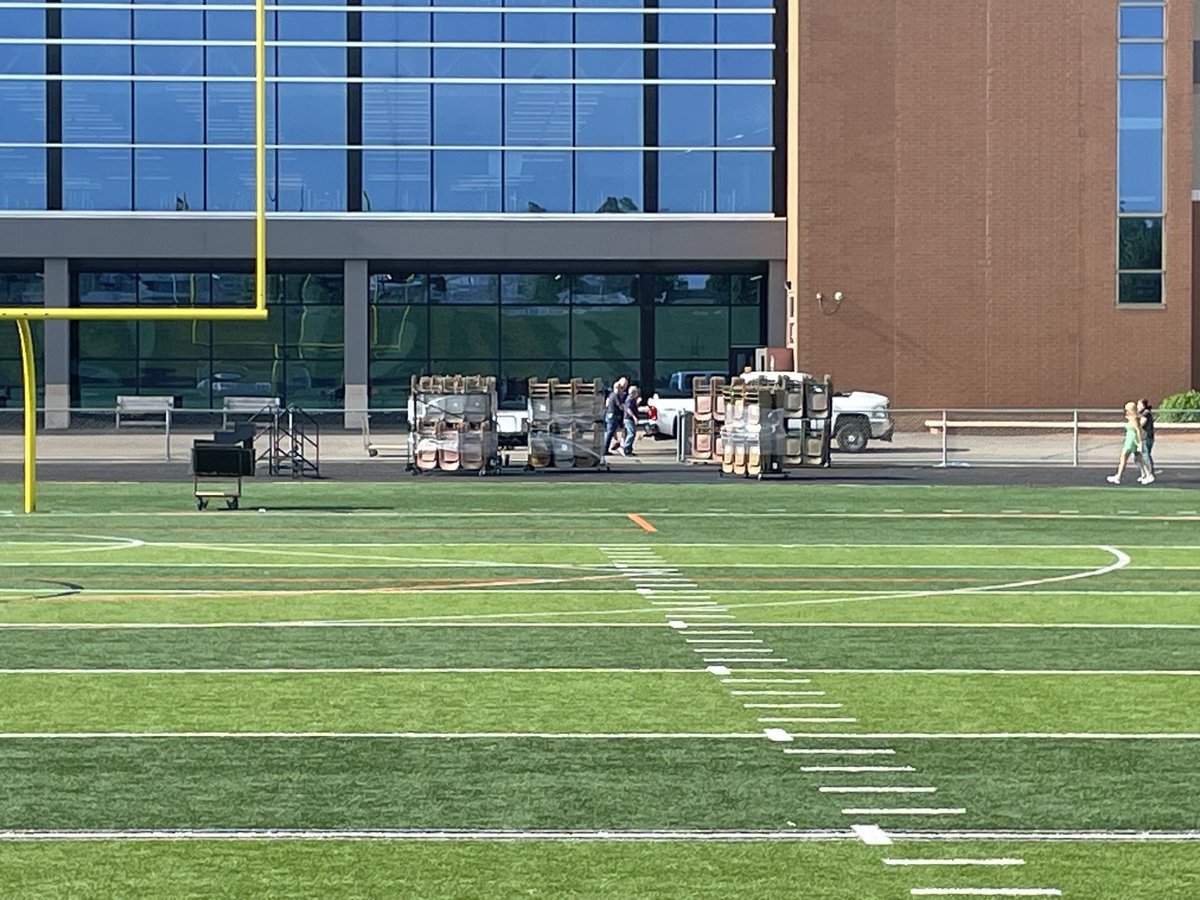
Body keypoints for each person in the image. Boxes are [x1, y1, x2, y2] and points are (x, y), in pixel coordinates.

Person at [1106, 401, 1154, 485]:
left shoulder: (1134, 418)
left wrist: (1140, 442)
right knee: (1139, 459)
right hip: (1130, 439)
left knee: (1124, 457)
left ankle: (1118, 476)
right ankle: (1148, 475)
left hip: (1131, 440)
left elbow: (1138, 430)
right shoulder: (1131, 417)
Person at [602, 376, 628, 456]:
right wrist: (625, 407)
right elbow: (619, 406)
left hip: (610, 415)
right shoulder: (615, 395)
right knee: (610, 432)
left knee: (610, 432)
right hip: (613, 415)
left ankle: (607, 448)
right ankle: (605, 449)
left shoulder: (611, 395)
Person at [619, 385, 642, 456]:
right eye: (637, 392)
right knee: (631, 433)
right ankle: (626, 448)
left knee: (631, 433)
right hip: (629, 419)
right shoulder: (630, 400)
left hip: (629, 419)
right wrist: (634, 417)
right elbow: (628, 409)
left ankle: (629, 449)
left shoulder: (632, 400)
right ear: (634, 393)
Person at [1137, 398, 1156, 481]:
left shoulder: (1145, 413)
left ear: (1143, 405)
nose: (1137, 406)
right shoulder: (1145, 413)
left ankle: (1149, 474)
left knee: (1145, 455)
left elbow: (1141, 424)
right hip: (1147, 437)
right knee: (1145, 455)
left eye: (1139, 405)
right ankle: (1145, 474)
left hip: (1146, 437)